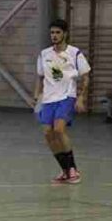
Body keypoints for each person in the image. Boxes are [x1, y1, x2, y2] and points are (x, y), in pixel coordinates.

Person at [34, 19, 91, 185]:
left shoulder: (75, 53)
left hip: (66, 97)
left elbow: (86, 77)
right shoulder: (44, 54)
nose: (54, 35)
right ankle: (64, 170)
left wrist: (81, 97)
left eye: (58, 32)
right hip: (48, 99)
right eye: (52, 32)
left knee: (59, 130)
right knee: (48, 134)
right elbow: (40, 77)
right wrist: (37, 95)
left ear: (65, 34)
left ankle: (73, 169)